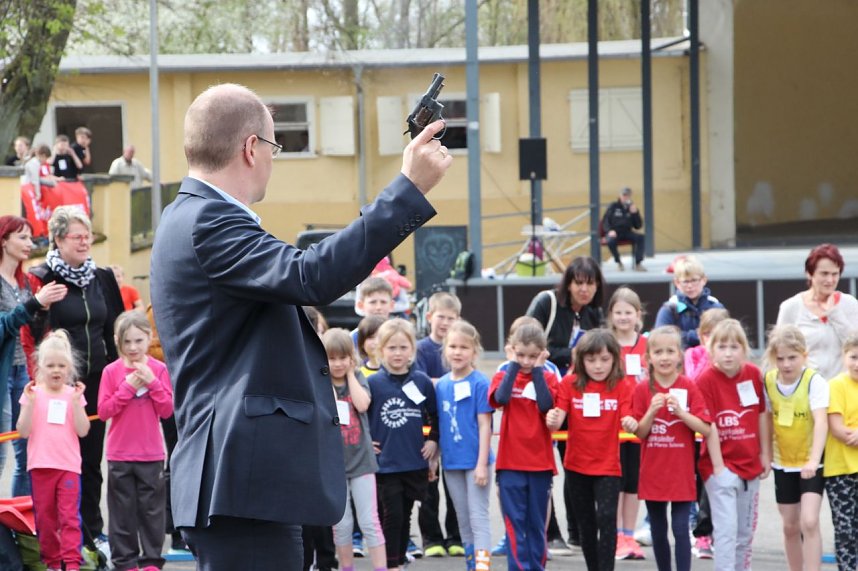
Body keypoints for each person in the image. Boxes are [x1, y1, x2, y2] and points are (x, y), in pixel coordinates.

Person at [148, 82, 450, 570]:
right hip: (241, 480)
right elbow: (311, 275)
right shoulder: (209, 221)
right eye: (273, 146)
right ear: (251, 148)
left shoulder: (188, 216)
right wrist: (407, 189)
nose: (273, 159)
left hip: (241, 479)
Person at [23, 206, 124, 549]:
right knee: (59, 461)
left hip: (96, 381)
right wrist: (41, 305)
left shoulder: (103, 278)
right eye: (77, 237)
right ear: (58, 239)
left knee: (92, 459)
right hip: (57, 385)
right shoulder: (42, 277)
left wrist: (121, 370)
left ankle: (92, 532)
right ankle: (55, 537)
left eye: (88, 236)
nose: (84, 243)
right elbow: (32, 335)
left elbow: (116, 328)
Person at [525, 255, 605, 553]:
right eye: (578, 283)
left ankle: (578, 531)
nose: (584, 289)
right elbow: (526, 340)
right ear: (568, 283)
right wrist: (569, 354)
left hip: (577, 397)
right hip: (543, 394)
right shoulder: (546, 302)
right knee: (542, 465)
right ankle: (550, 531)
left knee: (575, 464)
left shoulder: (594, 315)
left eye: (590, 284)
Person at [546, 329, 637, 571]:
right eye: (591, 360)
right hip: (576, 464)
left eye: (605, 360)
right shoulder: (570, 384)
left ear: (615, 360)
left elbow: (628, 417)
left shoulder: (622, 385)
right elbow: (558, 420)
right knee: (586, 525)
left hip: (609, 465)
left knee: (607, 519)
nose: (598, 366)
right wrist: (552, 418)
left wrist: (631, 422)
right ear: (581, 360)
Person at [98, 311, 173, 571]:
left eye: (138, 341)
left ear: (149, 338)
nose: (133, 347)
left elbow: (167, 410)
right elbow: (105, 411)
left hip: (151, 454)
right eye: (127, 342)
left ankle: (152, 561)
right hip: (119, 454)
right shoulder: (111, 371)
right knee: (121, 514)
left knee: (153, 513)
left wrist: (153, 383)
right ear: (118, 340)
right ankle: (125, 561)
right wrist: (127, 388)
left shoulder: (160, 370)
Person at [632, 326, 711, 571]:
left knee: (679, 528)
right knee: (657, 528)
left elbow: (705, 429)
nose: (664, 357)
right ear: (649, 358)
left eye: (670, 351)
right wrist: (651, 412)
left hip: (681, 472)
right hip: (653, 472)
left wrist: (682, 413)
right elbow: (640, 432)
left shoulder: (688, 386)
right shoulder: (642, 389)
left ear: (679, 355)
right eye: (658, 352)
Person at [0, 216, 67, 497]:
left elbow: (30, 330)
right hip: (3, 375)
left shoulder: (23, 281)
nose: (30, 243)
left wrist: (43, 310)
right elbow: (4, 326)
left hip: (21, 371)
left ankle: (21, 528)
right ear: (4, 240)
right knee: (2, 456)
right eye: (23, 237)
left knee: (29, 452)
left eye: (31, 237)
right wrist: (34, 303)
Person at [697, 319, 771, 571]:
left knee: (744, 533)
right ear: (711, 348)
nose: (728, 353)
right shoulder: (705, 380)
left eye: (734, 346)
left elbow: (761, 414)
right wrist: (719, 468)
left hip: (750, 464)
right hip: (721, 467)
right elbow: (709, 425)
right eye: (722, 346)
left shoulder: (752, 374)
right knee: (726, 532)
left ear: (744, 348)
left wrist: (764, 454)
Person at [367, 318, 439, 571]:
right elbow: (361, 417)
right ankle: (389, 564)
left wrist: (433, 442)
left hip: (414, 461)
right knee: (392, 514)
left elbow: (435, 414)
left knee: (405, 514)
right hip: (386, 463)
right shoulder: (373, 383)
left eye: (403, 347)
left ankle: (397, 560)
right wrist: (367, 444)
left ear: (412, 349)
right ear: (380, 350)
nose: (397, 353)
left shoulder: (422, 381)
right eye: (391, 348)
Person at [17, 330, 91, 571]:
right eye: (50, 365)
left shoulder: (74, 395)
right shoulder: (32, 393)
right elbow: (23, 430)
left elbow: (83, 430)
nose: (56, 370)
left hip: (68, 467)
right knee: (46, 520)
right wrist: (28, 403)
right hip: (40, 467)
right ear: (39, 366)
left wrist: (76, 403)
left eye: (61, 365)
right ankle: (51, 562)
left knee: (70, 518)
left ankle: (71, 563)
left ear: (69, 368)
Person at [489, 321, 558, 571]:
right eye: (521, 355)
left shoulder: (548, 377)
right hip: (510, 464)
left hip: (540, 464)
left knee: (536, 524)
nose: (526, 362)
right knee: (514, 524)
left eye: (532, 356)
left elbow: (545, 405)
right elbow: (501, 398)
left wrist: (538, 370)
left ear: (542, 353)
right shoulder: (503, 375)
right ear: (512, 351)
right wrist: (512, 365)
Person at [762, 325, 828, 571]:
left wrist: (813, 460)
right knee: (790, 525)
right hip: (783, 461)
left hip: (811, 461)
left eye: (792, 357)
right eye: (780, 358)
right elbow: (767, 419)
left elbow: (821, 421)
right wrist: (766, 454)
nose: (786, 364)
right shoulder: (769, 381)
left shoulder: (813, 381)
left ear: (804, 355)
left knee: (809, 521)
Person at [322, 328, 386, 571]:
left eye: (342, 358)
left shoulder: (358, 377)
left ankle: (381, 567)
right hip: (334, 465)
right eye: (332, 358)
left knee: (370, 521)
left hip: (362, 462)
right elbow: (326, 410)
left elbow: (362, 404)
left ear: (351, 357)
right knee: (342, 524)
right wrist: (326, 378)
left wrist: (350, 374)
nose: (338, 363)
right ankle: (346, 567)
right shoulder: (320, 382)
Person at [435, 320, 494, 571]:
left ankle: (482, 566)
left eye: (464, 347)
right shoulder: (442, 385)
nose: (457, 352)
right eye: (453, 347)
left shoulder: (479, 383)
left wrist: (481, 464)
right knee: (463, 518)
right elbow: (440, 425)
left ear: (474, 351)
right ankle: (471, 564)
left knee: (478, 517)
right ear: (445, 350)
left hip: (475, 462)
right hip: (451, 462)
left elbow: (484, 425)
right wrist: (433, 458)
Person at [414, 290, 464, 558]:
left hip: (456, 426)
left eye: (451, 318)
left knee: (455, 483)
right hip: (428, 426)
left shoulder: (459, 347)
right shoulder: (422, 349)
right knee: (428, 483)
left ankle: (455, 536)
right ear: (430, 316)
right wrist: (447, 384)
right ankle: (431, 537)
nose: (445, 323)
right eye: (441, 317)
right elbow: (422, 383)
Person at [606, 287, 647, 561]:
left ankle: (629, 534)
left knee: (634, 482)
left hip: (639, 422)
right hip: (611, 424)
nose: (623, 317)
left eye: (628, 312)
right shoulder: (605, 342)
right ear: (610, 315)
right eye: (618, 312)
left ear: (638, 315)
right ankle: (616, 536)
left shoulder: (646, 344)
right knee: (615, 482)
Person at [776, 243, 858, 380]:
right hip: (805, 390)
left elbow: (855, 345)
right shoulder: (790, 307)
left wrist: (834, 313)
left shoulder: (850, 304)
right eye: (824, 274)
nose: (830, 280)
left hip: (842, 391)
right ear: (809, 273)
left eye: (835, 274)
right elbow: (778, 352)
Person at [823, 335, 858, 571]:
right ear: (844, 357)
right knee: (846, 531)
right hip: (841, 471)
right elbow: (837, 429)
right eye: (853, 357)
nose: (857, 364)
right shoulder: (835, 385)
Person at [655, 255, 725, 349]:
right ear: (677, 283)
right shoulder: (669, 308)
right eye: (685, 281)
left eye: (694, 280)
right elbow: (660, 337)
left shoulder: (715, 307)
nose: (690, 286)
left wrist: (682, 335)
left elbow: (724, 336)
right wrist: (695, 335)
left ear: (704, 280)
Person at [602, 187, 646, 271]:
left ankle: (638, 263)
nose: (626, 197)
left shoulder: (631, 208)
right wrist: (610, 231)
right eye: (624, 195)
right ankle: (618, 262)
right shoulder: (613, 206)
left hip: (627, 232)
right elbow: (605, 221)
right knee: (610, 241)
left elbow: (638, 226)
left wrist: (635, 213)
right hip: (614, 232)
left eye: (628, 195)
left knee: (641, 237)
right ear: (620, 196)